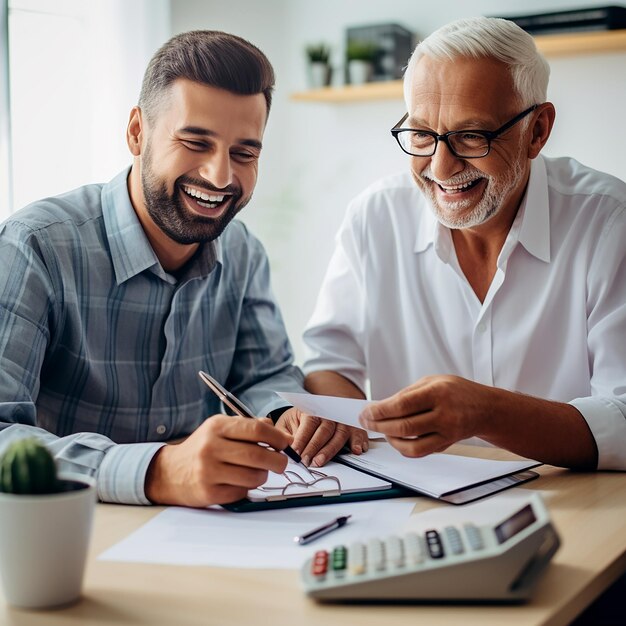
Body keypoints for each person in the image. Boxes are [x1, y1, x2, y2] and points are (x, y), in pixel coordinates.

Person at [0, 30, 364, 508]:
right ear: (136, 132)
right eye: (195, 142)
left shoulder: (242, 251)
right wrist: (156, 471)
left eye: (244, 153)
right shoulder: (34, 246)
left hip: (204, 528)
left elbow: (264, 374)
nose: (220, 177)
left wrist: (282, 412)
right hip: (70, 538)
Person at [302, 17, 626, 471]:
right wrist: (341, 423)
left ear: (537, 131)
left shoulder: (609, 222)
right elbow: (328, 361)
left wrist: (487, 411)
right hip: (415, 506)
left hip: (574, 504)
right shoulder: (374, 218)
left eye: (471, 136)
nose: (441, 166)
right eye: (420, 134)